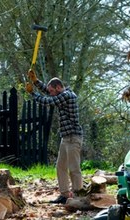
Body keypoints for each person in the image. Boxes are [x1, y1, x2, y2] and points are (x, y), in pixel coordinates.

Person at [25, 69, 83, 204]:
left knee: (74, 168)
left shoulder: (68, 96)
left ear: (58, 87)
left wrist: (33, 93)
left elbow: (48, 101)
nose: (50, 93)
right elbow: (48, 92)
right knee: (60, 167)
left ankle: (78, 196)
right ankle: (64, 195)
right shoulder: (60, 93)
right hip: (65, 138)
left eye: (52, 91)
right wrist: (35, 81)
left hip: (74, 137)